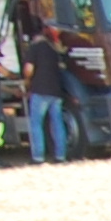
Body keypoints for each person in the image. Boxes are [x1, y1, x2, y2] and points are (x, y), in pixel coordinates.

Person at [23, 25, 71, 164]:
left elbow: (29, 69)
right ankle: (60, 156)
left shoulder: (35, 47)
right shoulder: (55, 50)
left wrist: (27, 82)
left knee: (36, 124)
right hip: (56, 91)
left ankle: (38, 157)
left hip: (40, 90)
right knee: (57, 123)